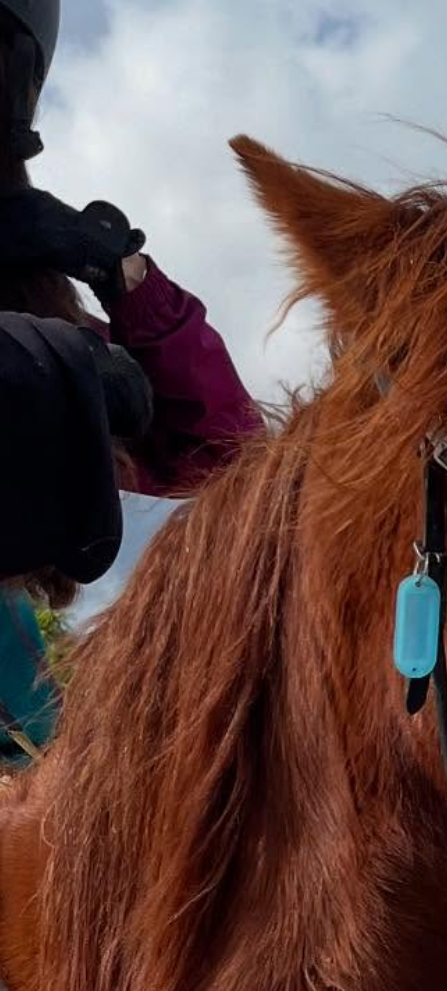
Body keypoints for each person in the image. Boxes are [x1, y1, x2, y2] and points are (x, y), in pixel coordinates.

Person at [1, 0, 261, 758]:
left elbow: (225, 469)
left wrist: (130, 286)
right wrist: (54, 378)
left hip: (67, 795)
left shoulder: (63, 333)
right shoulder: (61, 365)